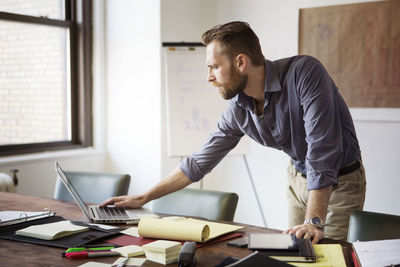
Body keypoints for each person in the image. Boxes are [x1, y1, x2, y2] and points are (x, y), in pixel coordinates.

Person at [101, 21, 366, 243]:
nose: (209, 77)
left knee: (328, 255)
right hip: (297, 178)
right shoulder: (238, 109)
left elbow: (322, 148)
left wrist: (313, 219)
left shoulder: (304, 73)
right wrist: (144, 196)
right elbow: (199, 162)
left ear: (241, 62)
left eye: (213, 67)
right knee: (297, 254)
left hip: (340, 181)